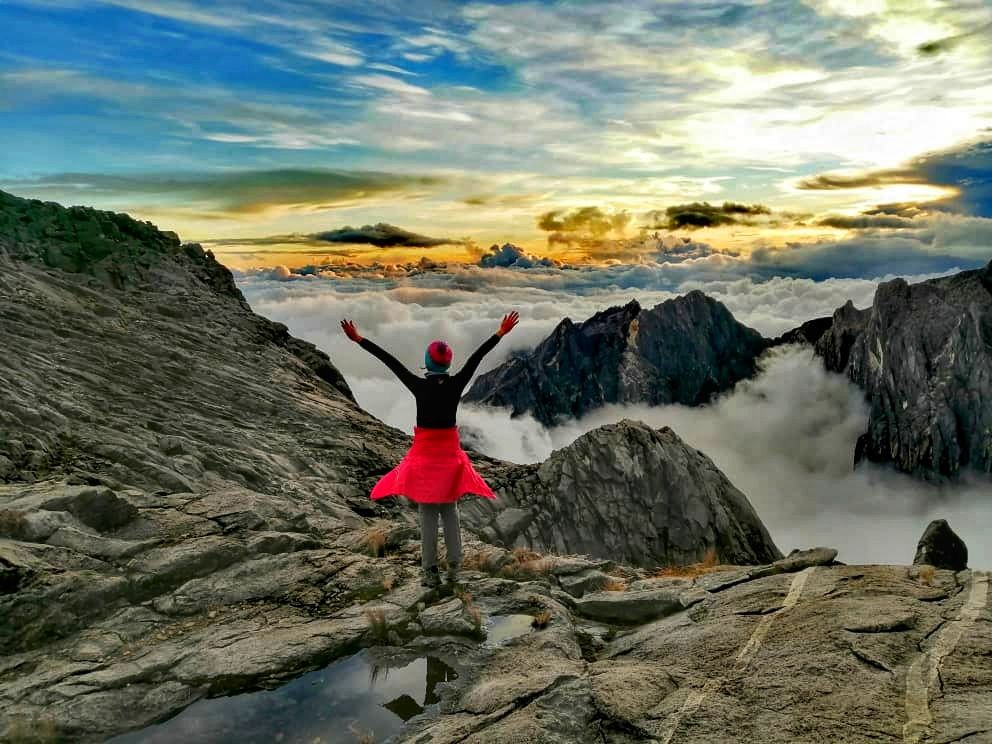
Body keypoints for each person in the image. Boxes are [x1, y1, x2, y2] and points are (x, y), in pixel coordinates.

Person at [340, 311, 520, 588]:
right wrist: (500, 332)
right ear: (448, 364)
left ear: (427, 363)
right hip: (449, 460)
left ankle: (429, 572)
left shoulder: (418, 385)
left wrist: (359, 339)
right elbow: (477, 358)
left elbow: (389, 361)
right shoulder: (456, 383)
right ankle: (455, 568)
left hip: (423, 460)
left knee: (427, 516)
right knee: (450, 513)